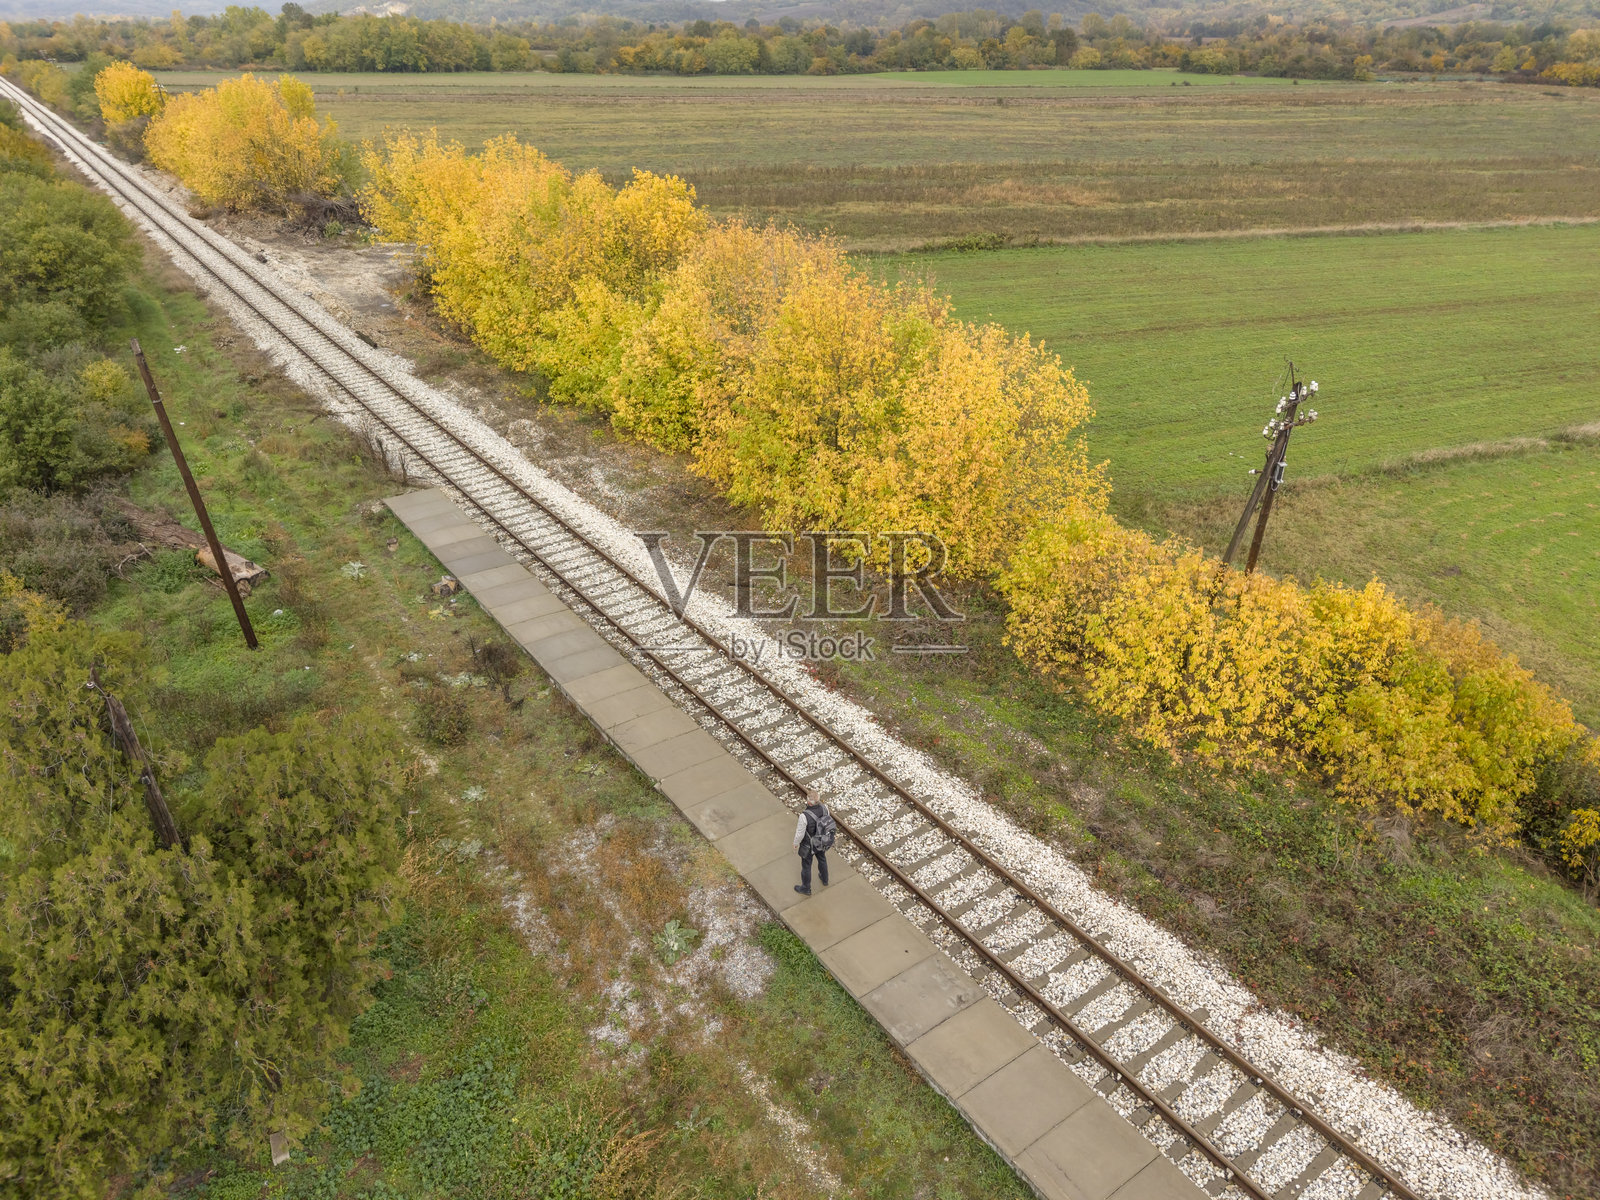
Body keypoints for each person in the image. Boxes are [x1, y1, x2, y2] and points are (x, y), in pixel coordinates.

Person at [793, 788, 836, 896]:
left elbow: (800, 833)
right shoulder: (825, 808)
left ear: (808, 802)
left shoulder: (804, 816)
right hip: (821, 841)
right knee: (822, 858)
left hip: (809, 845)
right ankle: (825, 879)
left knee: (806, 866)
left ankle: (806, 888)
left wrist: (795, 843)